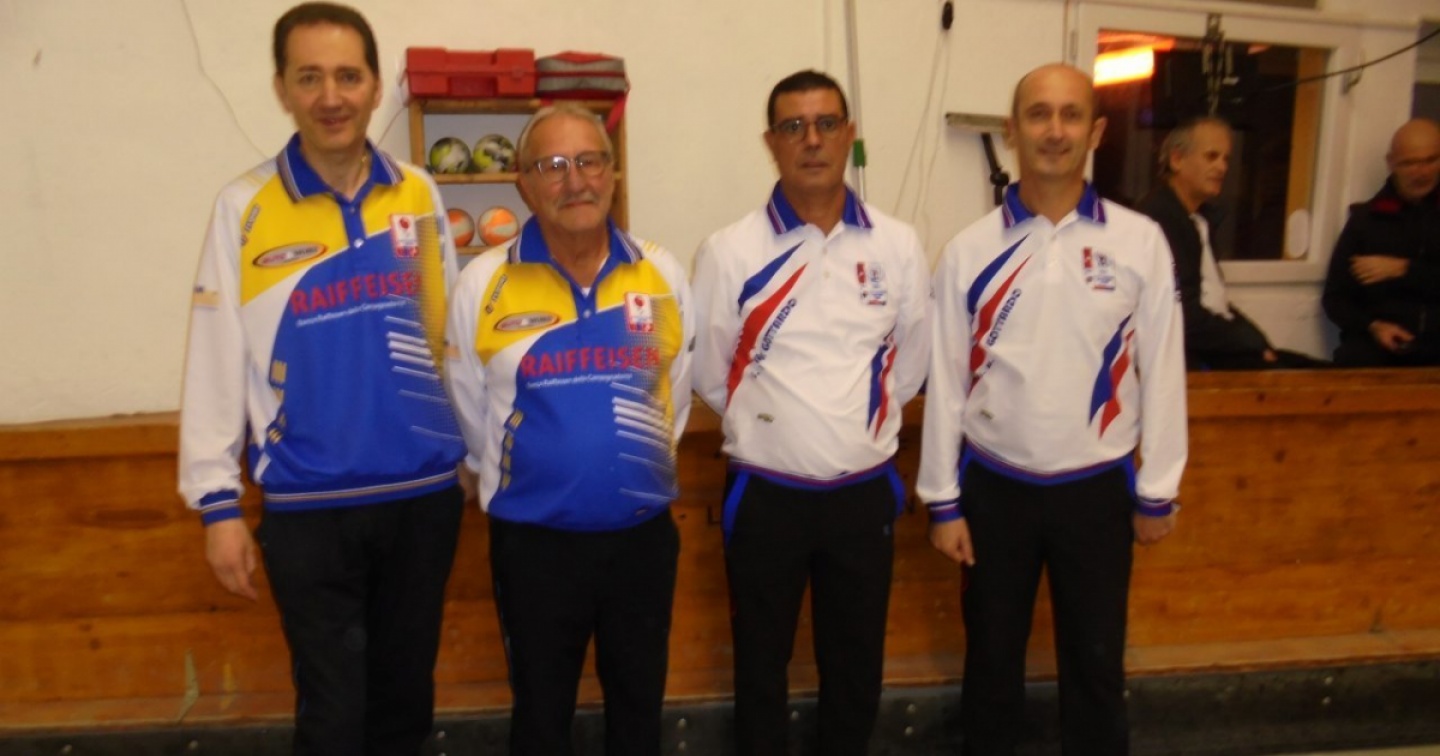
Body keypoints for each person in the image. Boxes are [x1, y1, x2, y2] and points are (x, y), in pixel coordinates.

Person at [178, 4, 466, 754]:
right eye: (309, 78)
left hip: (422, 501)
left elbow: (450, 340)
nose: (331, 96)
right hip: (310, 510)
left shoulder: (420, 194)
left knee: (405, 710)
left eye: (347, 76)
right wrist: (216, 503)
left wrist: (469, 454)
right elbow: (215, 355)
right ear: (282, 89)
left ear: (374, 85)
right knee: (333, 721)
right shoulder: (242, 207)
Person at [917, 63, 1187, 756]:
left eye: (1071, 115)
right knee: (991, 668)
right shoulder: (969, 251)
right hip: (994, 489)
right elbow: (946, 381)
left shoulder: (1139, 242)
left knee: (1096, 669)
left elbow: (1163, 369)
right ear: (1012, 131)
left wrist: (1158, 486)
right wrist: (942, 500)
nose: (1055, 130)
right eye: (1039, 114)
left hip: (1097, 491)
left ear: (1095, 131)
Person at [691, 70, 932, 756]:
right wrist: (776, 428)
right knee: (759, 667)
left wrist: (852, 429)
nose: (812, 140)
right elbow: (709, 374)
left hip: (863, 495)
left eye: (827, 123)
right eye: (793, 127)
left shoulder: (897, 245)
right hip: (766, 495)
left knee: (855, 668)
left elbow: (910, 366)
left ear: (849, 135)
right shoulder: (730, 250)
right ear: (771, 142)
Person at [445, 103, 693, 756]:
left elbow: (676, 391)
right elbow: (470, 404)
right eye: (553, 165)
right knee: (540, 717)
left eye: (589, 161)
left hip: (642, 541)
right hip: (534, 546)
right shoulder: (481, 282)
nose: (575, 180)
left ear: (613, 172)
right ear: (524, 183)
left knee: (639, 713)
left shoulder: (662, 274)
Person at [1138, 117, 1322, 369]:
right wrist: (1250, 344)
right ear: (1177, 159)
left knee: (1327, 373)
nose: (1222, 167)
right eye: (1211, 156)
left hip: (1215, 347)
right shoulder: (1160, 219)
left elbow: (1215, 301)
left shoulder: (1198, 220)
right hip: (1187, 359)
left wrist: (1258, 342)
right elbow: (1183, 316)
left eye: (1226, 159)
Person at [1322, 117, 1440, 367]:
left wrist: (1404, 270)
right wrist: (1373, 326)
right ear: (1391, 163)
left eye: (1431, 160)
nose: (1422, 172)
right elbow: (1335, 299)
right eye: (1409, 163)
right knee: (1353, 358)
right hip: (1377, 347)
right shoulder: (1366, 220)